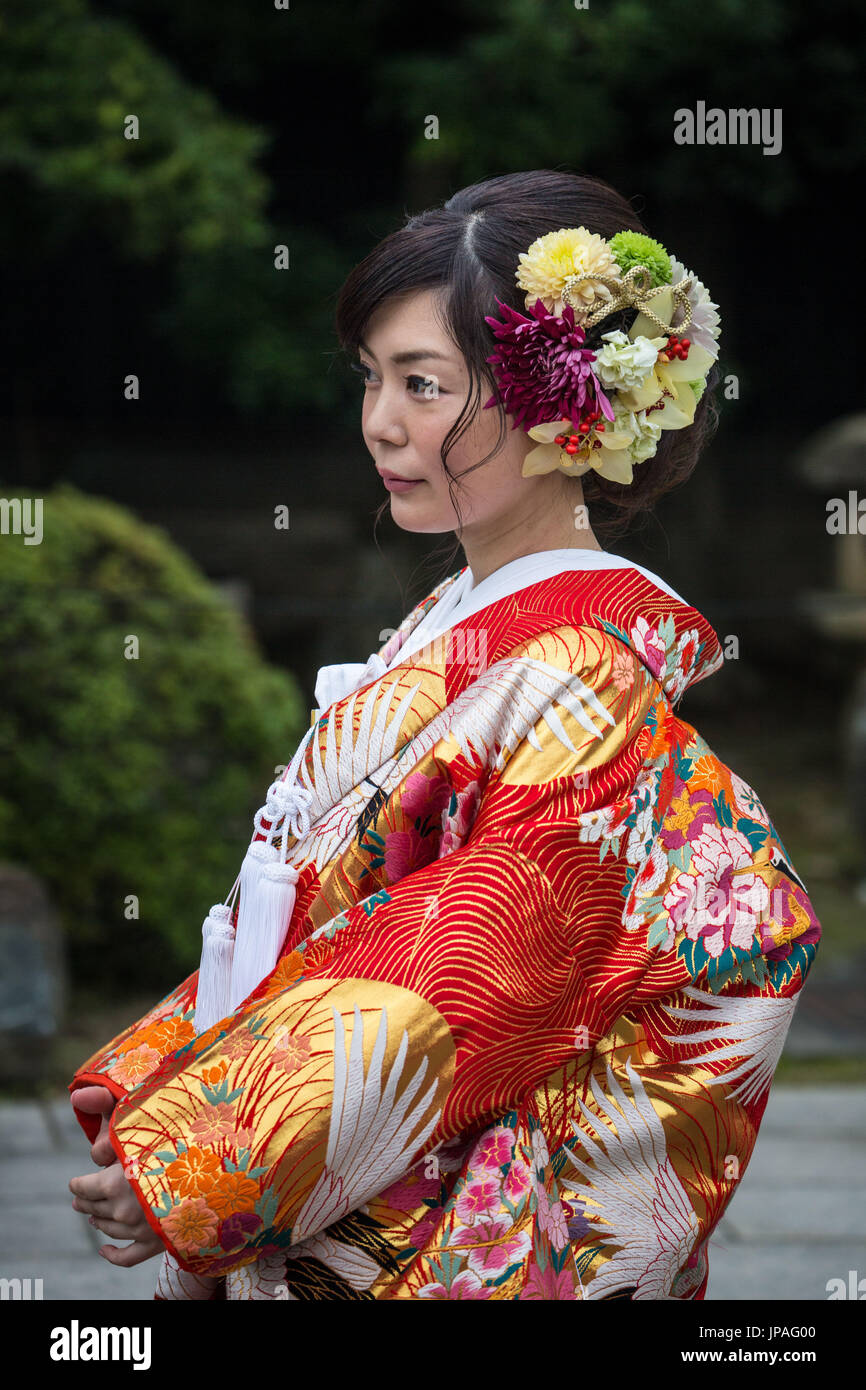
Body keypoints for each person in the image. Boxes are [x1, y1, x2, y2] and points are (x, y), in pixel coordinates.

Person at [67, 169, 822, 1301]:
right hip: (338, 1160)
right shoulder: (452, 621)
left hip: (432, 1198)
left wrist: (204, 1154)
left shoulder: (579, 669)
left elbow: (467, 973)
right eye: (372, 379)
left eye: (424, 384)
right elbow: (315, 915)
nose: (381, 421)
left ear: (566, 406)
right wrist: (164, 1083)